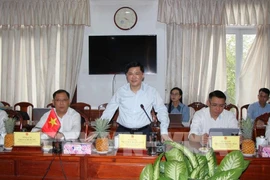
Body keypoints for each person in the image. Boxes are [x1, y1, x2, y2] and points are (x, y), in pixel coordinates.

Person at [97, 61, 171, 141]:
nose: (134, 77)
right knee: (120, 154)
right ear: (127, 76)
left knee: (145, 153)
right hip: (123, 132)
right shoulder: (121, 92)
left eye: (137, 73)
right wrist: (98, 131)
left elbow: (161, 110)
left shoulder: (151, 92)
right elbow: (109, 111)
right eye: (130, 74)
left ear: (142, 75)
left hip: (144, 132)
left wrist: (164, 132)